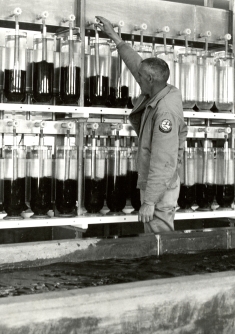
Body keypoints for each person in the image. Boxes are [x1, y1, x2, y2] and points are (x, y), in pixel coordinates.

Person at [95, 16, 188, 233]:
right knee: (151, 237)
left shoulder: (165, 112)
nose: (137, 78)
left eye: (140, 77)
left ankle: (163, 268)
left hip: (161, 186)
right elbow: (138, 65)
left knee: (159, 238)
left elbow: (163, 160)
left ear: (150, 80)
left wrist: (149, 201)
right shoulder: (158, 89)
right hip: (155, 183)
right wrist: (116, 39)